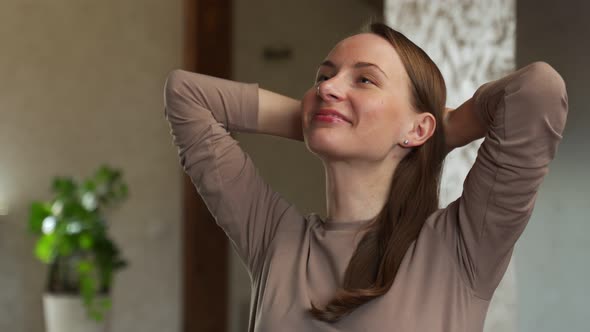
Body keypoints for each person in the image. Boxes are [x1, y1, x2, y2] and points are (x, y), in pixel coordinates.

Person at [164, 22, 567, 331]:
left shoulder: (462, 245)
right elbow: (186, 95)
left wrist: (444, 130)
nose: (327, 88)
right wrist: (317, 118)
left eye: (365, 79)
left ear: (418, 129)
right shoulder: (276, 239)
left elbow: (537, 91)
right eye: (324, 77)